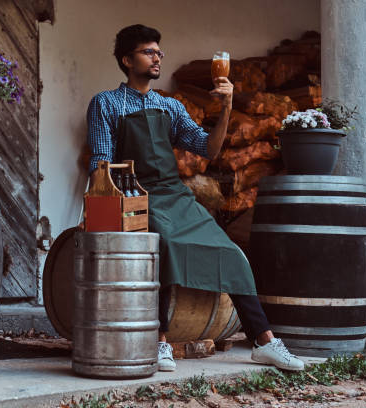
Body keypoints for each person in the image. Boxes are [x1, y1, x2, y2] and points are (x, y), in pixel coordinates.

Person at [86, 24, 304, 373]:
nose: (157, 57)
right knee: (164, 246)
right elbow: (102, 162)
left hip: (175, 194)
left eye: (159, 51)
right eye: (148, 51)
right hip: (135, 195)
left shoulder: (168, 106)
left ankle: (265, 342)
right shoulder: (105, 103)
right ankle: (159, 342)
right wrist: (116, 205)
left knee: (232, 253)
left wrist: (227, 107)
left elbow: (207, 148)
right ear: (127, 60)